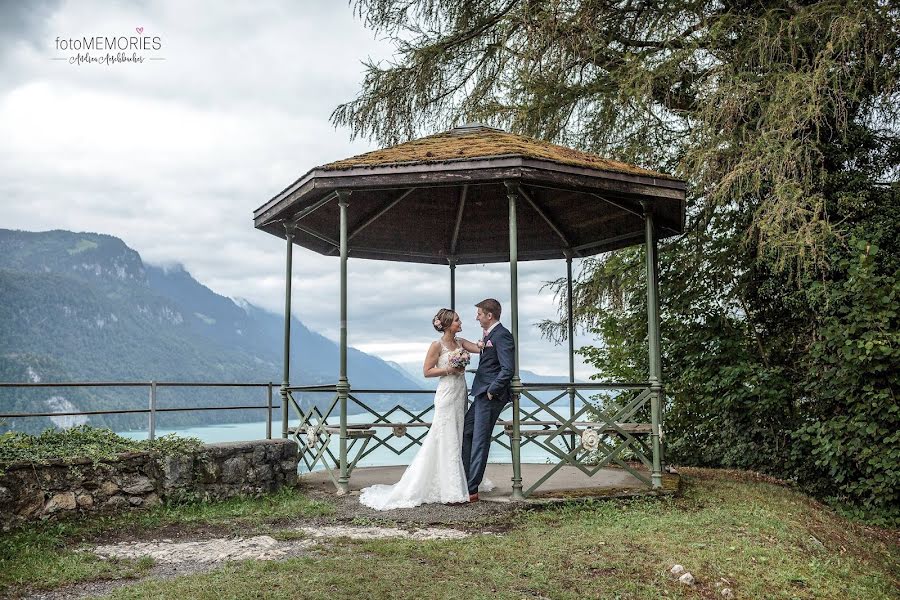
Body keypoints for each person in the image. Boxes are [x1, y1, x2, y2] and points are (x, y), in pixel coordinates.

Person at [359, 308, 481, 510]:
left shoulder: (461, 342)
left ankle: (457, 480)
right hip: (446, 393)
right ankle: (450, 488)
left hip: (460, 393)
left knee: (457, 435)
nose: (461, 323)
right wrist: (449, 369)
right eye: (457, 321)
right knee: (445, 436)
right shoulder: (437, 345)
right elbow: (427, 371)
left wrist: (485, 341)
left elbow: (478, 347)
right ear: (448, 324)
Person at [462, 298, 514, 502]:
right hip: (481, 394)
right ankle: (465, 478)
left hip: (490, 395)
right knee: (467, 431)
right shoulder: (488, 335)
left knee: (480, 440)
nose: (476, 317)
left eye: (479, 314)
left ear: (489, 315)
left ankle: (471, 489)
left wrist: (493, 390)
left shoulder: (502, 335)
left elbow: (508, 368)